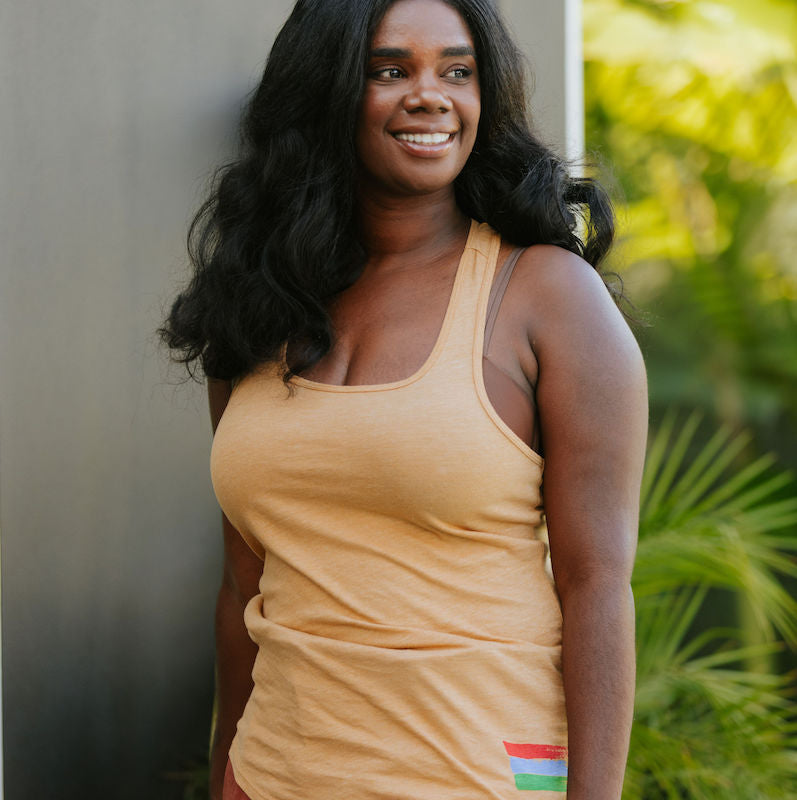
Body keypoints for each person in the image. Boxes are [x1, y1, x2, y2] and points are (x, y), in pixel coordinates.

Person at [162, 0, 648, 798]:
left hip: (472, 775)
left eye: (458, 72)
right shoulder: (258, 306)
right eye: (389, 70)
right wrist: (224, 778)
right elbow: (245, 586)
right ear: (324, 90)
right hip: (274, 774)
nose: (431, 96)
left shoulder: (545, 297)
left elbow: (594, 585)